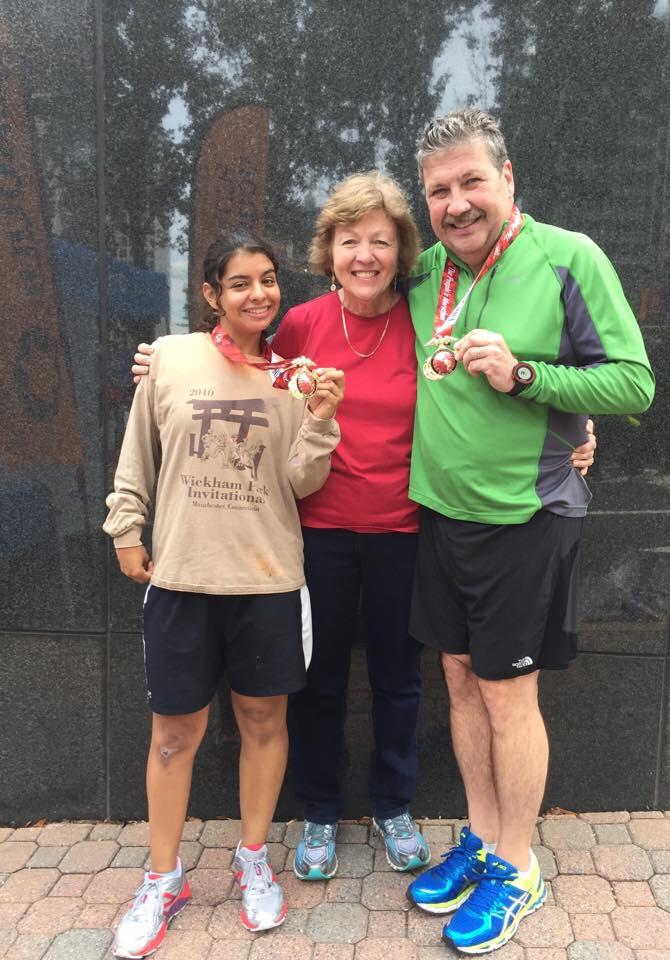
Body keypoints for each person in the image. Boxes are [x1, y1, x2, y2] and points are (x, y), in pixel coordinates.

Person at [131, 173, 596, 885]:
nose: (366, 254)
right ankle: (319, 808)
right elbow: (236, 360)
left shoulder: (429, 318)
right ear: (330, 249)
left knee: (398, 679)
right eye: (351, 240)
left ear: (401, 249)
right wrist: (161, 359)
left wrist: (575, 430)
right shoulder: (301, 325)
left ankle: (393, 804)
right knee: (316, 680)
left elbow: (494, 390)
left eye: (381, 240)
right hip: (315, 531)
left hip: (406, 528)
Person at [404, 109, 654, 955]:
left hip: (526, 515)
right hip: (442, 513)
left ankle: (520, 866)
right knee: (461, 678)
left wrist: (525, 377)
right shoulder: (424, 270)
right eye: (439, 189)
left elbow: (634, 384)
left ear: (508, 180)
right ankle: (481, 838)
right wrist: (181, 355)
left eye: (473, 180)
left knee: (509, 695)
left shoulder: (567, 256)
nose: (457, 201)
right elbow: (331, 304)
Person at [104, 233, 343, 958]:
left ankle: (251, 861)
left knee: (265, 725)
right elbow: (138, 450)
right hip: (182, 578)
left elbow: (302, 482)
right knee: (174, 735)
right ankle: (163, 877)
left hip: (268, 579)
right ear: (212, 294)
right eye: (239, 283)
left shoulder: (295, 377)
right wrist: (126, 525)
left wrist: (324, 419)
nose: (258, 295)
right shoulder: (171, 358)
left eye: (269, 281)